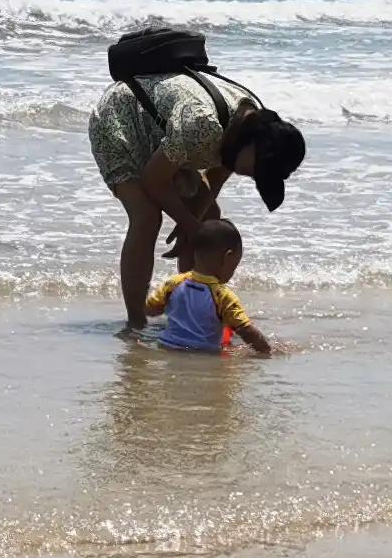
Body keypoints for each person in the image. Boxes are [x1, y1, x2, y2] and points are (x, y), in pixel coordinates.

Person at [89, 63, 306, 332]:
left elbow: (212, 181)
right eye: (257, 169)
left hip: (161, 130)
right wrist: (190, 225)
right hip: (119, 119)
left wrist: (192, 225)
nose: (252, 176)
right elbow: (153, 180)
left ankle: (192, 312)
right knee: (146, 216)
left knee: (209, 219)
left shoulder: (245, 126)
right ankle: (136, 322)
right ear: (253, 142)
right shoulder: (203, 125)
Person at [144, 218, 272, 356]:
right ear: (227, 257)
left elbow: (151, 309)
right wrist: (267, 350)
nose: (232, 273)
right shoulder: (223, 296)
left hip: (167, 346)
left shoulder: (173, 283)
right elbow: (246, 331)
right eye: (234, 267)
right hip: (202, 353)